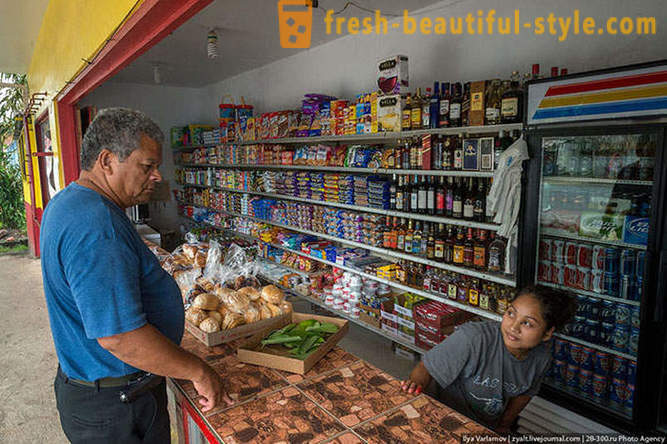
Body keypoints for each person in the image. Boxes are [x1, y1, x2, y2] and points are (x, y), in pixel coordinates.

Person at [40, 108, 232, 443]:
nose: (157, 176)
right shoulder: (97, 226)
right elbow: (120, 337)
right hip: (117, 408)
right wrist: (197, 371)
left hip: (94, 391)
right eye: (147, 166)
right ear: (107, 160)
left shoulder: (69, 202)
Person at [401, 285, 576, 433]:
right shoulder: (473, 338)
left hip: (483, 428)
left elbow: (523, 395)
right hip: (443, 420)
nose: (514, 327)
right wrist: (413, 392)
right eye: (511, 313)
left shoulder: (541, 357)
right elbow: (427, 368)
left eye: (527, 323)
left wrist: (501, 429)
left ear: (547, 333)